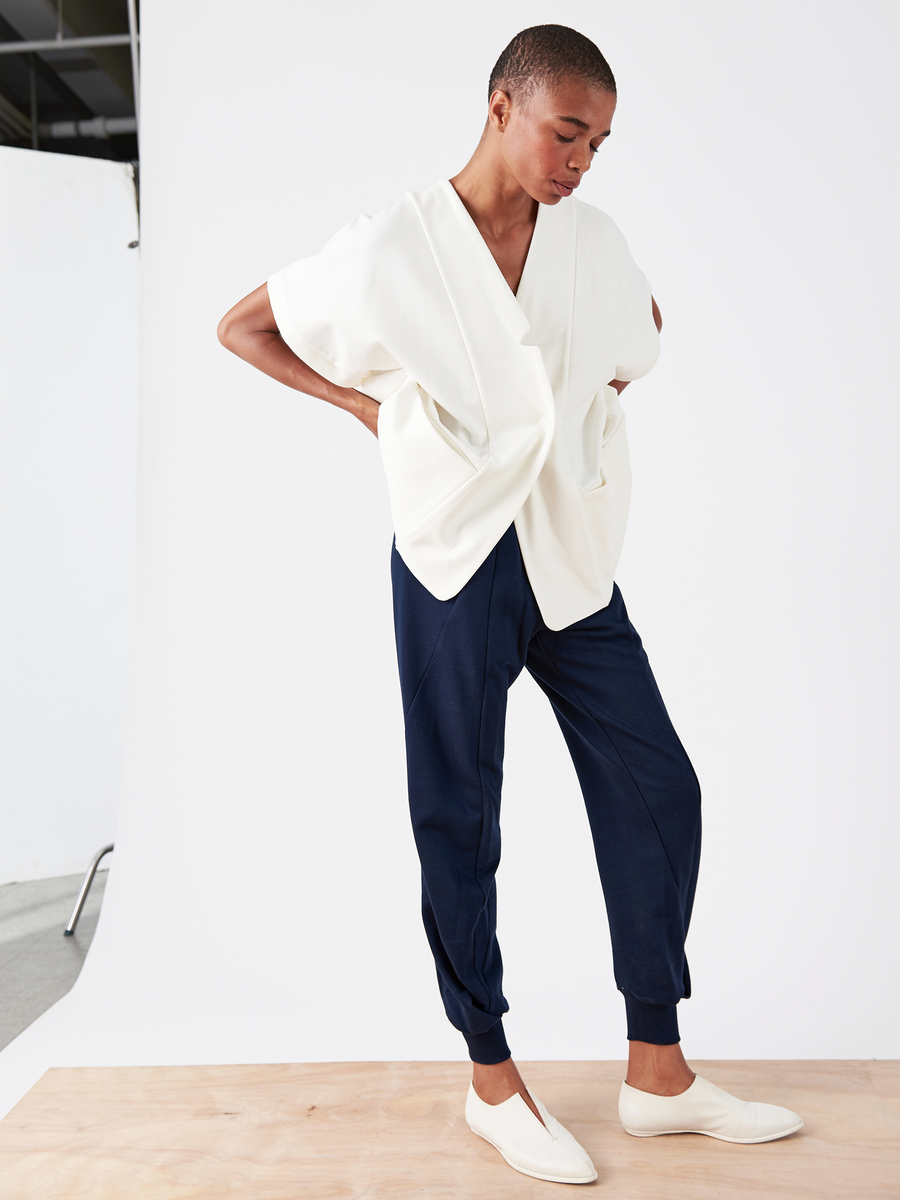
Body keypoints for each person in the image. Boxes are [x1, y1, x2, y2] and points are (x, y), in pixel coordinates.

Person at [218, 23, 803, 1186]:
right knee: (460, 816)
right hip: (455, 557)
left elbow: (643, 335)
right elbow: (245, 325)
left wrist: (600, 378)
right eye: (567, 132)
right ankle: (492, 1077)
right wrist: (361, 407)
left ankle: (658, 1073)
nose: (582, 160)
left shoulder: (594, 239)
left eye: (600, 143)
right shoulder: (395, 243)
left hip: (571, 556)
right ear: (501, 106)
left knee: (657, 787)